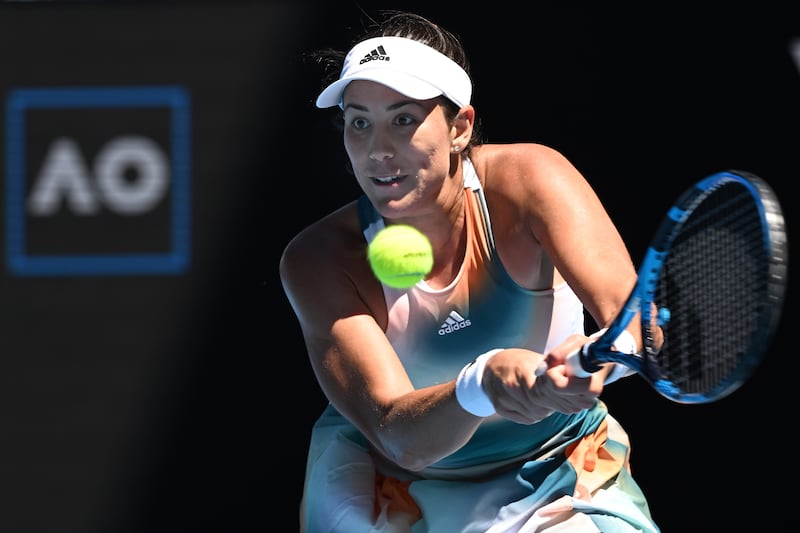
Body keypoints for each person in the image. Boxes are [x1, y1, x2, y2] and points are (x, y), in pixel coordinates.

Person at [280, 10, 662, 532]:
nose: (378, 151)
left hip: (559, 463)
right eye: (359, 122)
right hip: (393, 485)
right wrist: (481, 382)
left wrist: (592, 365)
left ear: (459, 127)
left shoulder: (531, 179)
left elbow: (636, 323)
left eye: (404, 119)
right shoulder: (320, 259)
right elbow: (397, 435)